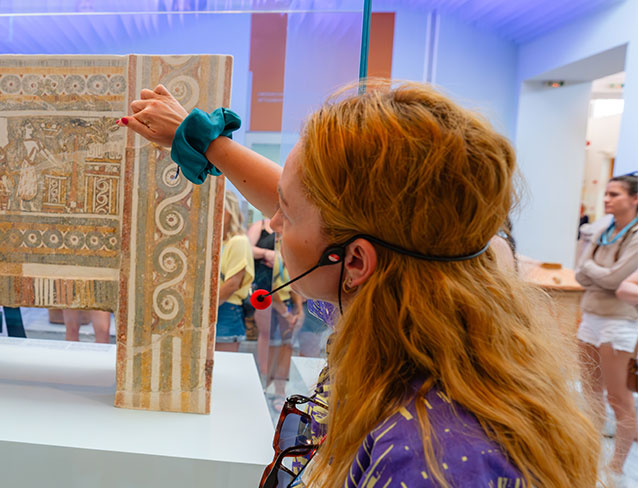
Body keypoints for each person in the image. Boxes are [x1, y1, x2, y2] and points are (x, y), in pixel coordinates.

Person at [120, 82, 599, 486]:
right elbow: (334, 220)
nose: (274, 222)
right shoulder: (432, 277)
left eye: (286, 210)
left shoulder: (427, 457)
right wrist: (206, 143)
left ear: (355, 262)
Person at [576, 175, 638, 484]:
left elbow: (617, 282)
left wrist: (596, 273)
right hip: (591, 316)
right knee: (589, 392)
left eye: (615, 194)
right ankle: (589, 456)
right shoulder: (603, 228)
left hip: (618, 322)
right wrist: (600, 275)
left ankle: (616, 467)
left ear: (634, 199)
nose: (607, 199)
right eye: (607, 193)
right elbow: (581, 273)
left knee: (618, 397)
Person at [215, 190, 255, 352]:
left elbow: (232, 284)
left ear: (228, 211)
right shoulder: (219, 242)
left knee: (223, 368)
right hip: (217, 308)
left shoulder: (238, 241)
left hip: (225, 311)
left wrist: (206, 310)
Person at [266, 250, 304, 411]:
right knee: (272, 350)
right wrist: (286, 314)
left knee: (286, 349)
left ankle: (279, 392)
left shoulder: (289, 258)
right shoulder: (272, 259)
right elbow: (269, 288)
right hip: (272, 309)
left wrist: (299, 312)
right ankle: (268, 388)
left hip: (286, 308)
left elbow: (293, 287)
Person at [248, 218, 277, 378]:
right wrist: (266, 253)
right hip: (262, 287)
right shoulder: (259, 225)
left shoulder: (289, 225)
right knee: (265, 332)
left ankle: (276, 377)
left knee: (282, 336)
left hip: (284, 286)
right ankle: (264, 372)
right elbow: (248, 249)